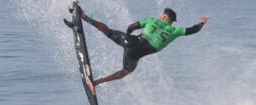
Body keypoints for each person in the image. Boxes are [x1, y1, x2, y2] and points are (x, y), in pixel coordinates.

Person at [79, 7, 209, 86]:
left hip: (130, 41)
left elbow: (131, 27)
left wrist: (127, 40)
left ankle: (84, 17)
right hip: (135, 55)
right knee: (125, 72)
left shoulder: (152, 20)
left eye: (161, 15)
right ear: (171, 21)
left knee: (108, 30)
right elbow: (194, 30)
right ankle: (96, 82)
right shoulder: (176, 31)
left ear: (164, 16)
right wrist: (201, 23)